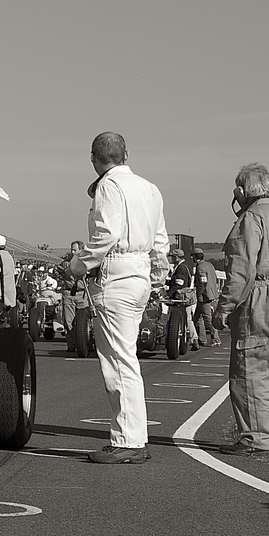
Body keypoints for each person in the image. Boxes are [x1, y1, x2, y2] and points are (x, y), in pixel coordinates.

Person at [80, 131, 170, 464]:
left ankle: (128, 441)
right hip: (141, 272)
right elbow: (161, 243)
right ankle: (133, 437)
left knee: (118, 362)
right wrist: (156, 281)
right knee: (126, 358)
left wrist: (81, 263)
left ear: (94, 158)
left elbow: (106, 234)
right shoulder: (150, 189)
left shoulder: (108, 186)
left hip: (117, 272)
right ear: (126, 154)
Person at [214, 162, 269, 456]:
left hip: (259, 297)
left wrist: (224, 308)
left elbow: (240, 271)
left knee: (250, 371)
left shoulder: (249, 220)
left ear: (241, 190)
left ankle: (255, 437)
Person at [193, 249, 221, 347]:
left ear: (195, 257)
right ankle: (200, 338)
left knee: (207, 318)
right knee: (197, 318)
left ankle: (215, 338)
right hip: (212, 294)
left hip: (204, 296)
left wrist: (198, 294)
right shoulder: (210, 265)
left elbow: (202, 282)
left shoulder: (200, 267)